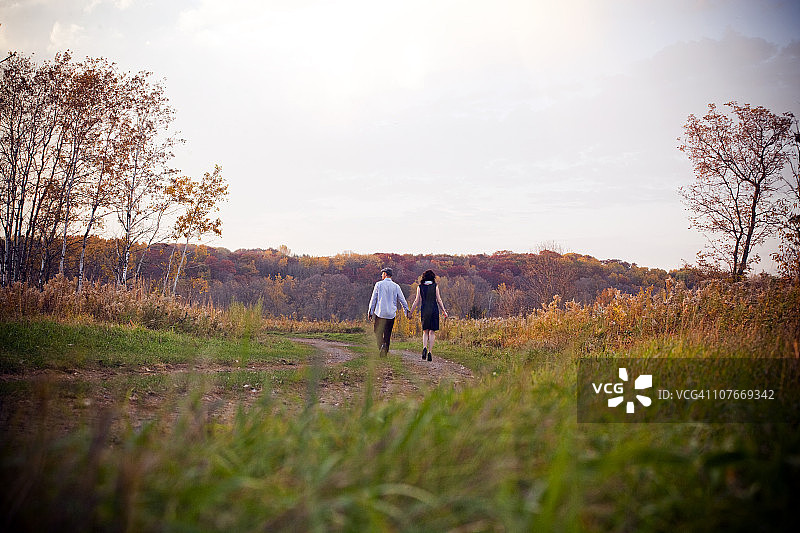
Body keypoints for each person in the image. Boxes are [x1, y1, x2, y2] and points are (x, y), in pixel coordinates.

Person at [368, 267, 411, 356]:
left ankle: (381, 346)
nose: (381, 275)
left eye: (382, 274)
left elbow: (373, 299)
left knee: (377, 331)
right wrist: (407, 311)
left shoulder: (378, 285)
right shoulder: (396, 286)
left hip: (380, 313)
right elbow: (402, 300)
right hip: (391, 314)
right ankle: (385, 350)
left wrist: (370, 312)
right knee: (388, 333)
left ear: (385, 274)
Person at [409, 269, 448, 362]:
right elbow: (439, 300)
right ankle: (430, 352)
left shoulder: (420, 287)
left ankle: (424, 347)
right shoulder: (435, 286)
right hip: (434, 309)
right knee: (432, 332)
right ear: (432, 278)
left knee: (425, 331)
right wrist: (444, 311)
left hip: (424, 310)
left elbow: (416, 301)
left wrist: (411, 312)